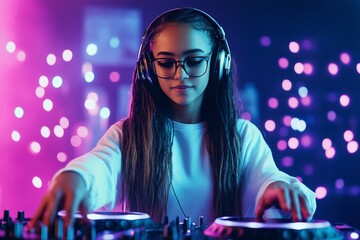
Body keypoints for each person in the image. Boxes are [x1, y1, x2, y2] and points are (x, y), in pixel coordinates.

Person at [27, 7, 316, 230]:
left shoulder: (243, 136)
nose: (180, 75)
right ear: (148, 69)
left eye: (194, 61)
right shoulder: (128, 136)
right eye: (166, 63)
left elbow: (267, 179)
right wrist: (75, 176)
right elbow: (100, 166)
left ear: (218, 64)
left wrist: (280, 191)